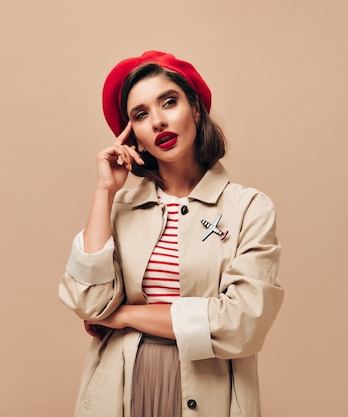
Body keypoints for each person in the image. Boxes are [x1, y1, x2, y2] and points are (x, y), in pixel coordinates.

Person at [59, 50, 284, 417]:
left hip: (212, 391)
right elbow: (88, 302)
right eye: (142, 115)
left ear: (195, 108)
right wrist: (105, 192)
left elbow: (243, 322)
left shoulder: (248, 208)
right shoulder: (120, 209)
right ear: (133, 136)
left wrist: (125, 317)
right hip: (122, 387)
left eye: (169, 102)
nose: (159, 122)